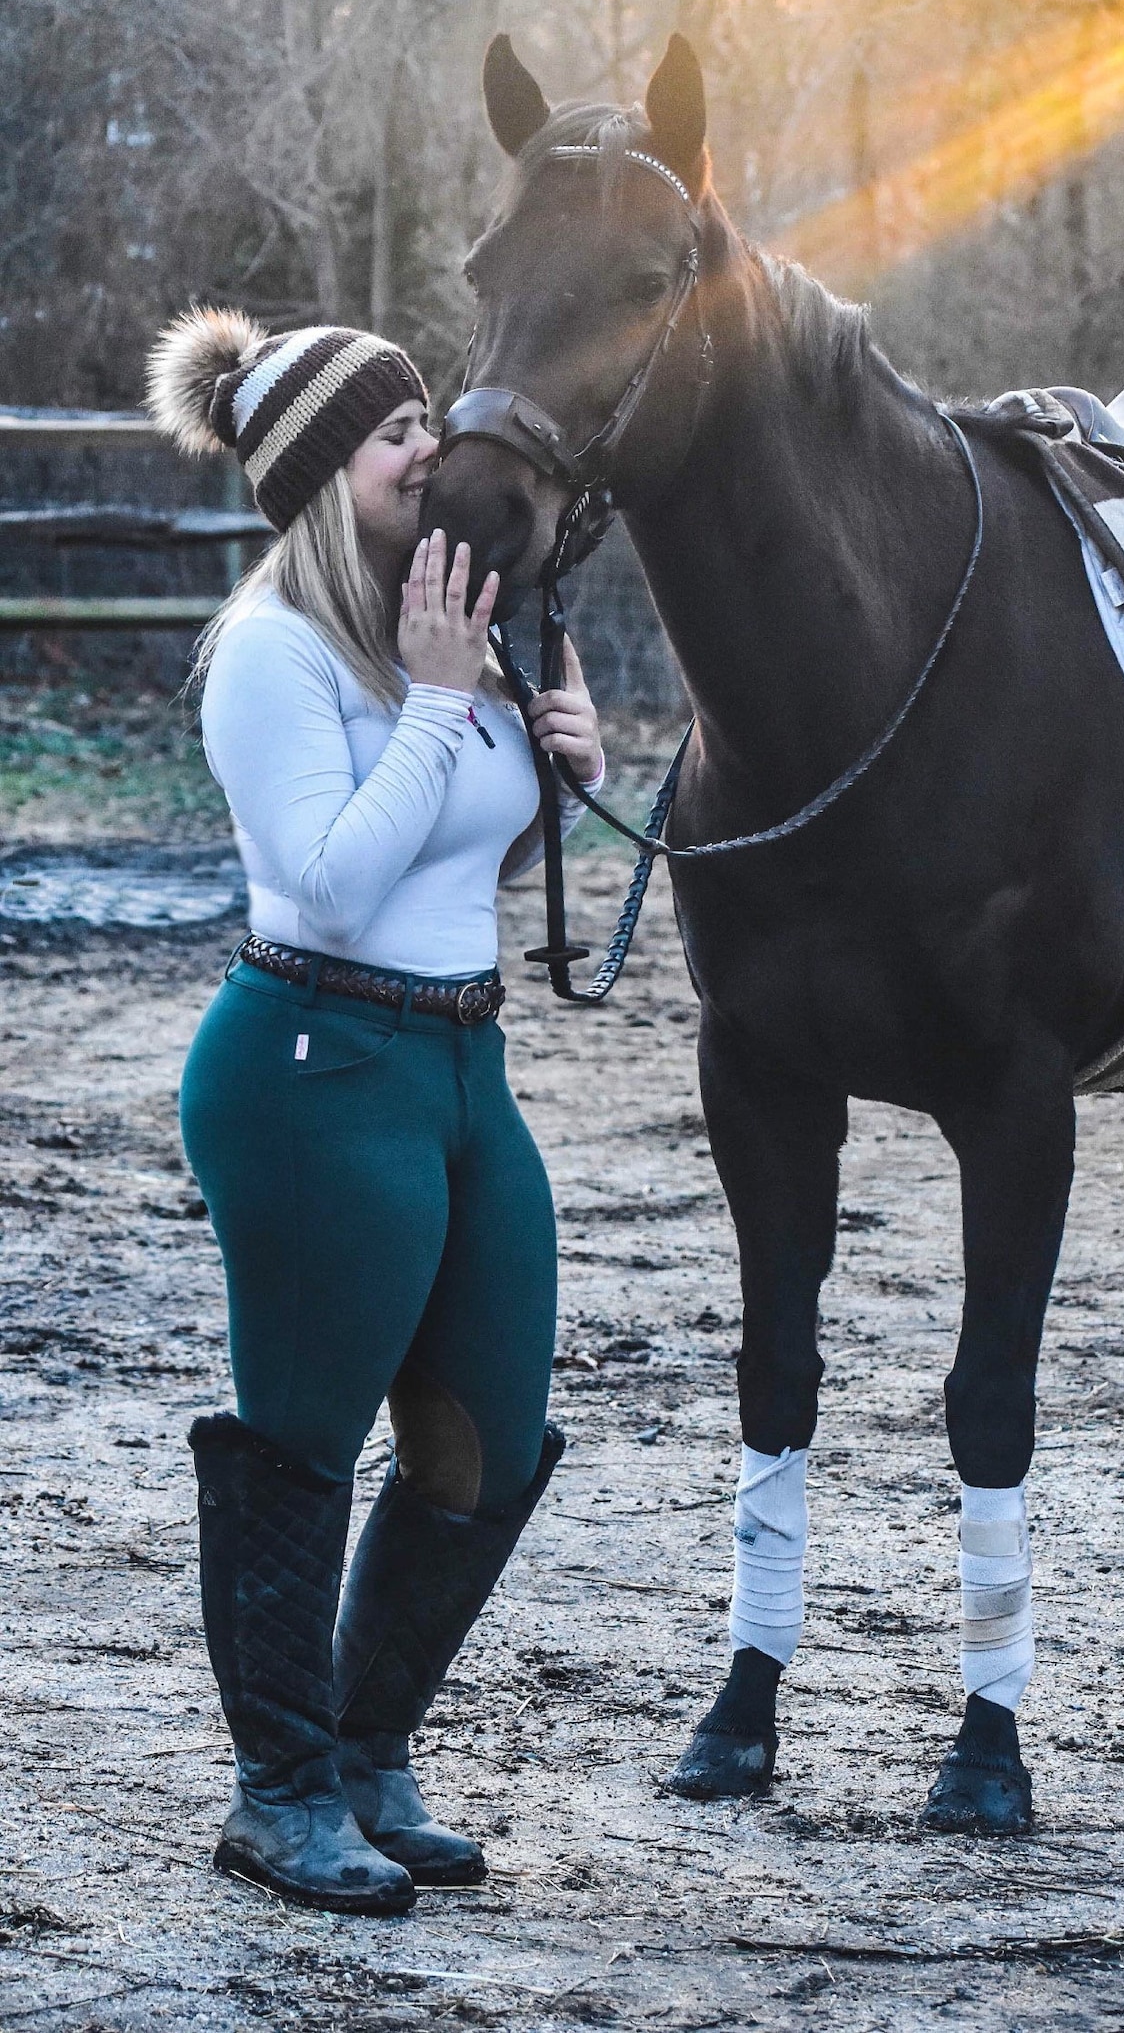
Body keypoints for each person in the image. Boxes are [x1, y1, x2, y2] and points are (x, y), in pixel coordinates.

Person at [148, 310, 604, 1917]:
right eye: (393, 430)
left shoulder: (448, 626)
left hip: (463, 1068)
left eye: (422, 415)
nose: (432, 447)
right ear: (319, 477)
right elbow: (335, 892)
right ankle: (278, 1795)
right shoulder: (271, 650)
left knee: (493, 1433)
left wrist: (555, 764)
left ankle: (367, 1747)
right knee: (302, 1440)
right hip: (311, 1068)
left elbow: (461, 865)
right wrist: (430, 702)